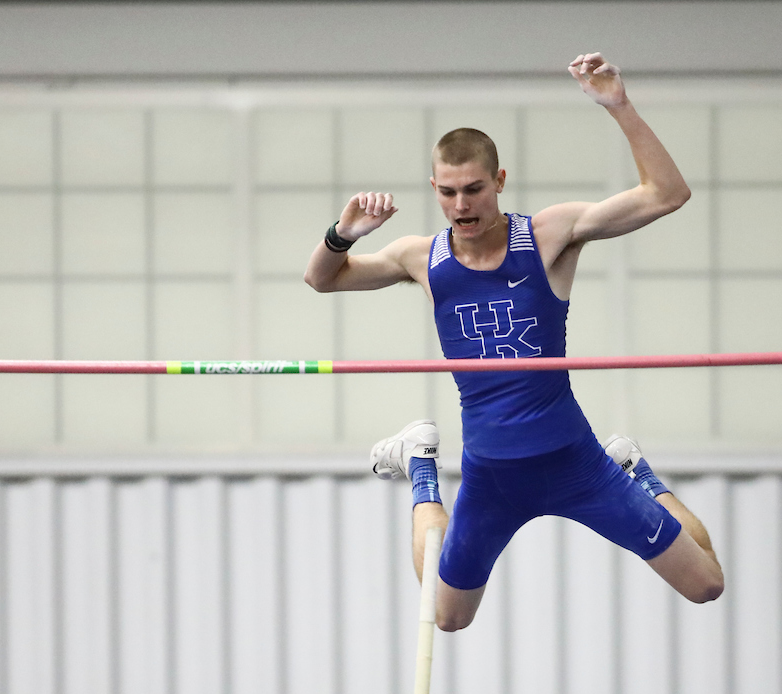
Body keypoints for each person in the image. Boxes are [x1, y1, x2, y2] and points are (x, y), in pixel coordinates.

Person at [304, 53, 724, 631]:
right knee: (447, 617)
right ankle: (422, 467)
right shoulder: (420, 258)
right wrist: (341, 235)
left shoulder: (548, 235)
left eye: (474, 189)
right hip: (491, 476)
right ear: (434, 188)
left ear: (498, 181)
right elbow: (322, 279)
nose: (461, 205)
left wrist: (619, 107)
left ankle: (639, 474)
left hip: (577, 464)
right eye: (448, 192)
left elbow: (667, 193)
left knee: (706, 584)